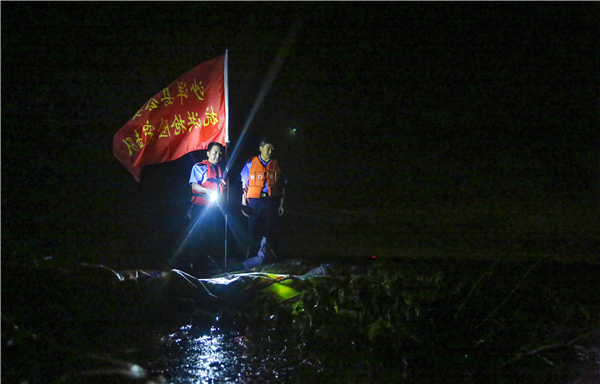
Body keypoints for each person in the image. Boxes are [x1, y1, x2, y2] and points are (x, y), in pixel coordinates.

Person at [173, 142, 226, 276]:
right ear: (208, 153)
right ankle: (193, 266)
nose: (217, 155)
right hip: (200, 208)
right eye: (215, 152)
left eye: (220, 153)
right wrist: (208, 191)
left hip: (214, 209)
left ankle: (206, 264)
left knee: (211, 237)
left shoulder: (221, 170)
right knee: (198, 237)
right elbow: (195, 185)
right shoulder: (199, 167)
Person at [240, 138, 287, 269]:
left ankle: (268, 257)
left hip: (271, 201)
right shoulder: (250, 163)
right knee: (253, 229)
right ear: (260, 148)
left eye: (272, 149)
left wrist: (282, 204)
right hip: (254, 202)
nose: (270, 151)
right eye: (268, 148)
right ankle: (251, 257)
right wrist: (243, 203)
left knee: (271, 229)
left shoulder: (278, 165)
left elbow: (283, 186)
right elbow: (244, 184)